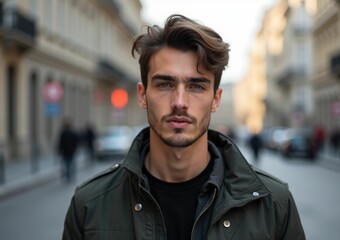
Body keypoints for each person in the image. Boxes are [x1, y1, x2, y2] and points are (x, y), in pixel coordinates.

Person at [62, 14, 305, 239]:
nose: (179, 102)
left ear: (216, 99)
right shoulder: (89, 205)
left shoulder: (274, 204)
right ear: (142, 94)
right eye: (165, 84)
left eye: (196, 86)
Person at [57, 119, 79, 183]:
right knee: (70, 164)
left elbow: (60, 143)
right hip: (69, 151)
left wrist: (59, 150)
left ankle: (68, 175)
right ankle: (70, 175)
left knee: (67, 164)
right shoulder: (68, 133)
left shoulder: (64, 133)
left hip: (66, 151)